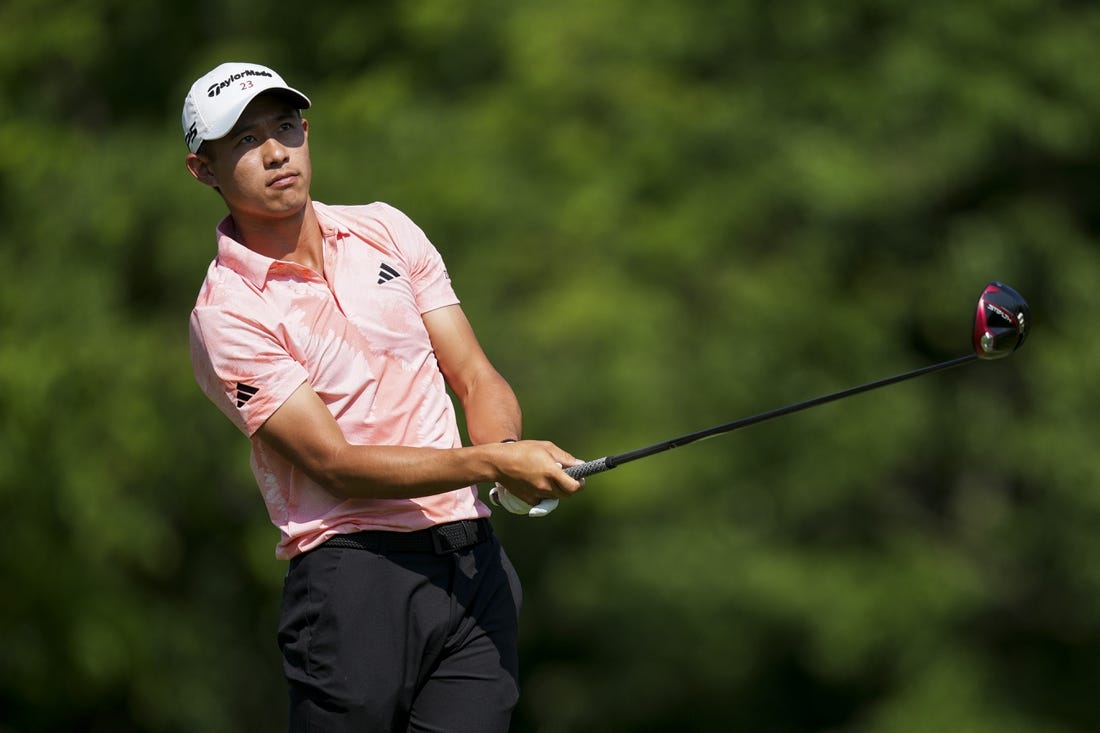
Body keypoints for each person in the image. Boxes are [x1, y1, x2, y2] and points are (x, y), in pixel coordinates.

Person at [182, 61, 584, 732]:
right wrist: (491, 465)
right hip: (351, 580)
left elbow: (475, 375)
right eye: (246, 140)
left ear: (306, 130)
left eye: (286, 127)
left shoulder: (385, 230)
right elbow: (335, 464)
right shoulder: (225, 314)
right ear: (204, 169)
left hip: (470, 563)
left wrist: (506, 448)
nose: (277, 151)